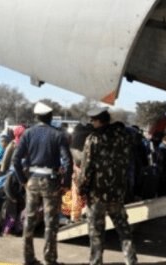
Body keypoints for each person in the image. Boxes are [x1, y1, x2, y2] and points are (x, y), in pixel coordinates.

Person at [13, 102, 73, 265]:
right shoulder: (58, 134)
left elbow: (16, 159)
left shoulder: (27, 134)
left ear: (36, 116)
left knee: (29, 219)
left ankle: (28, 258)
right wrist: (66, 183)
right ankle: (50, 259)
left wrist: (23, 181)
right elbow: (67, 161)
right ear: (51, 116)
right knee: (51, 221)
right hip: (50, 182)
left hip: (32, 180)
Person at [77, 107, 138, 265]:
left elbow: (86, 168)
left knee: (96, 232)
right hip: (117, 192)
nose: (91, 123)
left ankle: (96, 262)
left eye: (93, 120)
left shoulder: (93, 139)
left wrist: (81, 188)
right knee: (123, 228)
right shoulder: (124, 137)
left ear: (99, 121)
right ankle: (131, 260)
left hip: (97, 194)